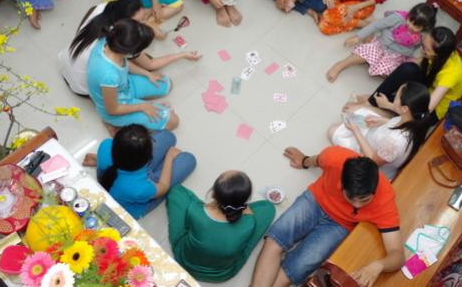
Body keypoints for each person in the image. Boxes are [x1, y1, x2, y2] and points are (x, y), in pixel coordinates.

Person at [250, 147, 402, 287]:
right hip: (315, 199)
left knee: (299, 266)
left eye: (364, 200)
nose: (357, 205)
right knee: (275, 240)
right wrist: (303, 161)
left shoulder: (384, 200)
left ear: (374, 191)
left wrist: (379, 265)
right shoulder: (334, 157)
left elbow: (397, 255)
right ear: (341, 184)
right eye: (351, 198)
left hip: (339, 225)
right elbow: (316, 160)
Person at [60, 0, 200, 96]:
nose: (144, 21)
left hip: (66, 60)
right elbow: (151, 64)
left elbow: (79, 32)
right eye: (139, 21)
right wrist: (182, 54)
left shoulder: (102, 7)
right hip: (81, 85)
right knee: (164, 84)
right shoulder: (119, 40)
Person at [166, 171, 276, 282]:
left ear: (213, 194)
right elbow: (255, 214)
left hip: (184, 261)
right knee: (268, 208)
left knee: (177, 191)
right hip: (221, 274)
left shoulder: (195, 210)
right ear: (245, 200)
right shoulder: (249, 222)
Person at [354, 26, 462, 124]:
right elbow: (415, 67)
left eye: (426, 49)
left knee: (411, 117)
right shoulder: (443, 50)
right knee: (408, 68)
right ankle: (371, 102)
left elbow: (424, 112)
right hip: (428, 85)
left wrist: (390, 106)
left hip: (433, 109)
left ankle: (385, 109)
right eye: (423, 44)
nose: (422, 49)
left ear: (438, 55)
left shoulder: (451, 74)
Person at [86, 18, 181, 132]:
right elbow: (112, 109)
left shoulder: (110, 40)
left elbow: (124, 63)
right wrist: (142, 106)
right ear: (130, 51)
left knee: (166, 84)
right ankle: (113, 125)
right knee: (174, 122)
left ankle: (137, 101)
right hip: (115, 107)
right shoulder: (109, 76)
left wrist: (147, 74)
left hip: (124, 85)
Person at [84, 124, 196, 219]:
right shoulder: (138, 189)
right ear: (148, 157)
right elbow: (163, 187)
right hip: (140, 196)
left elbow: (112, 159)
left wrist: (98, 158)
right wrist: (169, 158)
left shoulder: (106, 144)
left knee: (168, 136)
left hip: (124, 180)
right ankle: (161, 166)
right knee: (189, 159)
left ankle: (158, 168)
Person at [328, 82, 432, 180]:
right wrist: (382, 121)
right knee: (354, 112)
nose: (394, 97)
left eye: (396, 96)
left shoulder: (394, 142)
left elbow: (372, 160)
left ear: (405, 108)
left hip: (370, 159)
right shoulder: (412, 119)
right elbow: (397, 123)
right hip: (378, 138)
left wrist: (356, 132)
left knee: (332, 130)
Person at [326, 3, 437, 82]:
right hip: (381, 44)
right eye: (410, 20)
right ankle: (340, 65)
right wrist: (358, 36)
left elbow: (416, 49)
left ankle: (374, 59)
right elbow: (377, 25)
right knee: (366, 52)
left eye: (416, 26)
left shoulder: (423, 36)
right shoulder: (398, 18)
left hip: (395, 55)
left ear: (424, 28)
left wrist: (411, 57)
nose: (410, 26)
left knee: (389, 74)